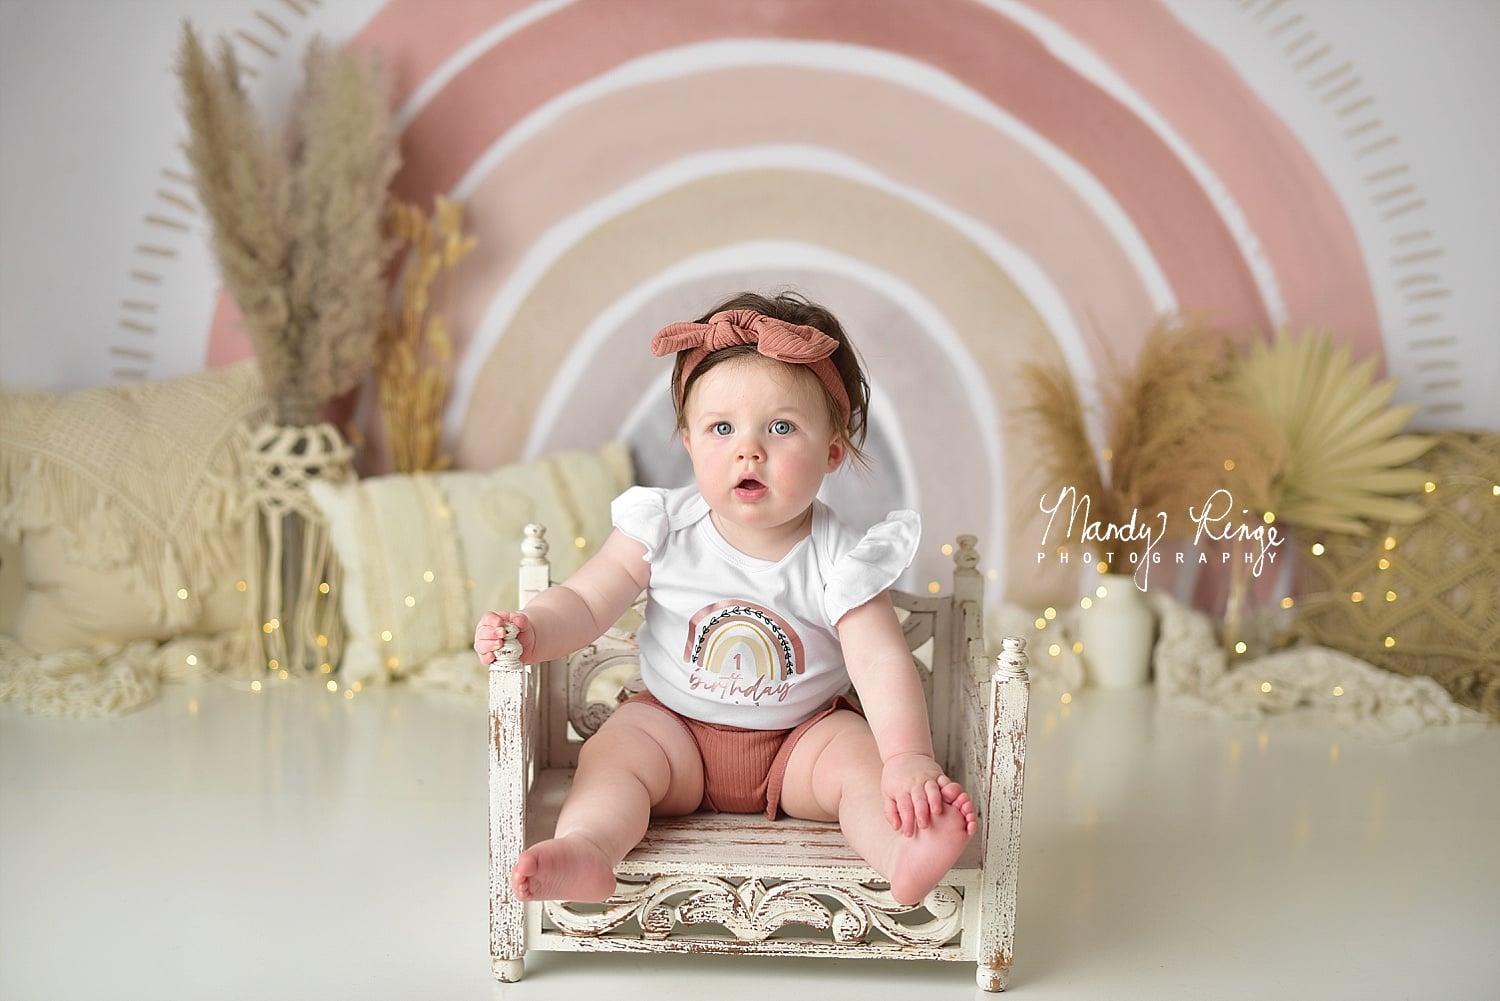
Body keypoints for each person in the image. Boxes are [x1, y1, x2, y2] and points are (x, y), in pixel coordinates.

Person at [473, 291, 976, 906]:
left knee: (859, 765)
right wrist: (529, 630)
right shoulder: (662, 527)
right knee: (612, 756)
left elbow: (880, 662)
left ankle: (903, 853)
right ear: (687, 441)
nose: (750, 449)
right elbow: (584, 602)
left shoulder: (839, 557)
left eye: (782, 427)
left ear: (833, 452)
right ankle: (588, 849)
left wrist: (906, 759)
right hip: (673, 731)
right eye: (721, 427)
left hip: (800, 742)